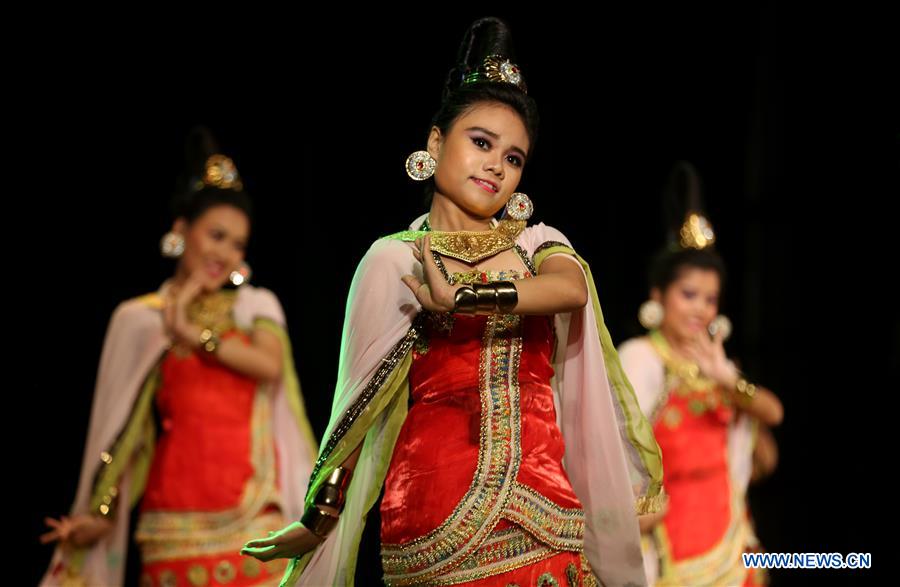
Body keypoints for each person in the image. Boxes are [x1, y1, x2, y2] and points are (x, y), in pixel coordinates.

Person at [242, 18, 664, 586]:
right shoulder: (395, 260)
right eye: (482, 143)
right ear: (436, 143)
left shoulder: (539, 244)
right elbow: (356, 411)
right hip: (435, 519)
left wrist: (466, 298)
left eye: (514, 158)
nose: (496, 165)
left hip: (548, 517)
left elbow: (572, 291)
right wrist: (320, 516)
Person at [40, 128, 318, 587]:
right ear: (179, 232)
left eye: (237, 244)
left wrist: (195, 333)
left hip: (252, 515)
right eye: (216, 235)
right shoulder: (140, 320)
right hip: (170, 527)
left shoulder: (255, 306)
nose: (225, 253)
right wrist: (101, 512)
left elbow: (270, 366)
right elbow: (127, 430)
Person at [618, 161, 783, 585]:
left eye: (710, 299)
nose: (700, 309)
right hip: (669, 543)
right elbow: (614, 455)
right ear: (659, 296)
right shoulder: (639, 358)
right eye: (689, 294)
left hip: (734, 541)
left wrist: (726, 378)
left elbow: (773, 422)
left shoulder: (721, 367)